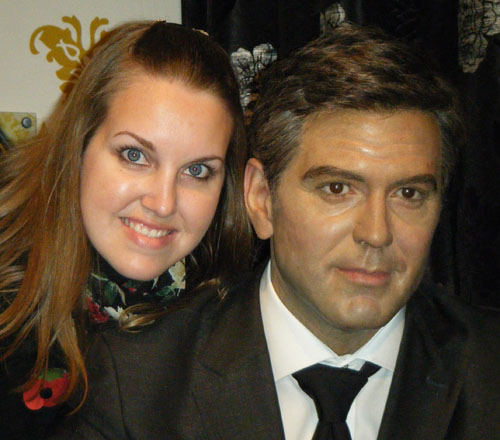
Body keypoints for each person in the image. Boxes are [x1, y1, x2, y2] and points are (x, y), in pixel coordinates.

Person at [52, 23, 500, 440]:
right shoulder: (135, 384)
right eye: (337, 189)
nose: (377, 233)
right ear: (262, 199)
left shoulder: (488, 369)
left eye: (408, 194)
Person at [0, 21, 252, 439]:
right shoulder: (11, 299)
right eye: (135, 155)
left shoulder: (241, 317)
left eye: (196, 171)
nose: (163, 203)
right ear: (79, 144)